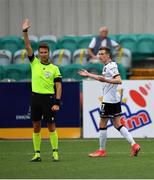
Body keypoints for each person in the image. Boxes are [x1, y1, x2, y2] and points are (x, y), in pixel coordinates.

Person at [79, 47, 140, 157]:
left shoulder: (110, 66)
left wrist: (106, 80)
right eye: (99, 53)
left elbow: (119, 80)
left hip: (108, 100)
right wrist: (89, 74)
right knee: (118, 124)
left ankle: (102, 151)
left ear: (108, 55)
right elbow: (102, 78)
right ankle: (134, 144)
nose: (100, 56)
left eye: (102, 54)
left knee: (102, 123)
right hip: (114, 99)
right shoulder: (109, 66)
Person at [22, 18, 62, 162]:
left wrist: (57, 101)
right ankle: (37, 153)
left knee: (51, 126)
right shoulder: (34, 63)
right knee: (36, 125)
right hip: (35, 98)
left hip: (48, 99)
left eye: (45, 52)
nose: (43, 54)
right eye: (41, 52)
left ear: (49, 53)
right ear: (38, 53)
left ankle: (55, 152)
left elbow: (58, 86)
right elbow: (27, 45)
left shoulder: (54, 68)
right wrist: (25, 31)